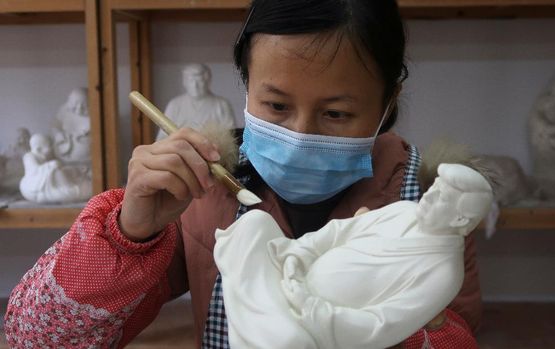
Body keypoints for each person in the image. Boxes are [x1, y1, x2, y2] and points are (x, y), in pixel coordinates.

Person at [4, 1, 482, 348]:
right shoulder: (201, 191)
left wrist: (390, 314)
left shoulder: (428, 205)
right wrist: (128, 232)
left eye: (335, 113)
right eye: (275, 105)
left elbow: (456, 334)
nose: (298, 134)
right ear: (245, 86)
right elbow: (37, 339)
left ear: (387, 105)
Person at [215, 163, 491, 349]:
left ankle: (256, 311)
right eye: (433, 189)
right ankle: (258, 311)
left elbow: (379, 325)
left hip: (314, 321)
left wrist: (310, 306)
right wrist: (299, 254)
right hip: (292, 273)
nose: (428, 197)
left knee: (288, 342)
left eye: (441, 197)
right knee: (255, 225)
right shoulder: (405, 210)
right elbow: (339, 231)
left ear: (459, 218)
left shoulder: (444, 274)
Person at [155, 63, 236, 141]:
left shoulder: (221, 105)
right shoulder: (175, 105)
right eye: (191, 81)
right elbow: (162, 137)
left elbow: (231, 137)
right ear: (184, 82)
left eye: (199, 81)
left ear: (208, 81)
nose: (195, 86)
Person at [19, 133, 92, 204]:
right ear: (39, 149)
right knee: (56, 169)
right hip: (33, 185)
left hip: (48, 180)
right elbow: (34, 171)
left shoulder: (45, 157)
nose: (52, 148)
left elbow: (61, 166)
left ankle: (74, 183)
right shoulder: (29, 157)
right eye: (49, 145)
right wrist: (50, 165)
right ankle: (69, 188)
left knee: (63, 169)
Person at [53, 87, 92, 165]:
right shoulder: (64, 110)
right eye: (75, 106)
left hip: (89, 159)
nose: (79, 109)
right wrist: (57, 134)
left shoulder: (97, 113)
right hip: (63, 155)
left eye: (85, 106)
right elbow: (55, 125)